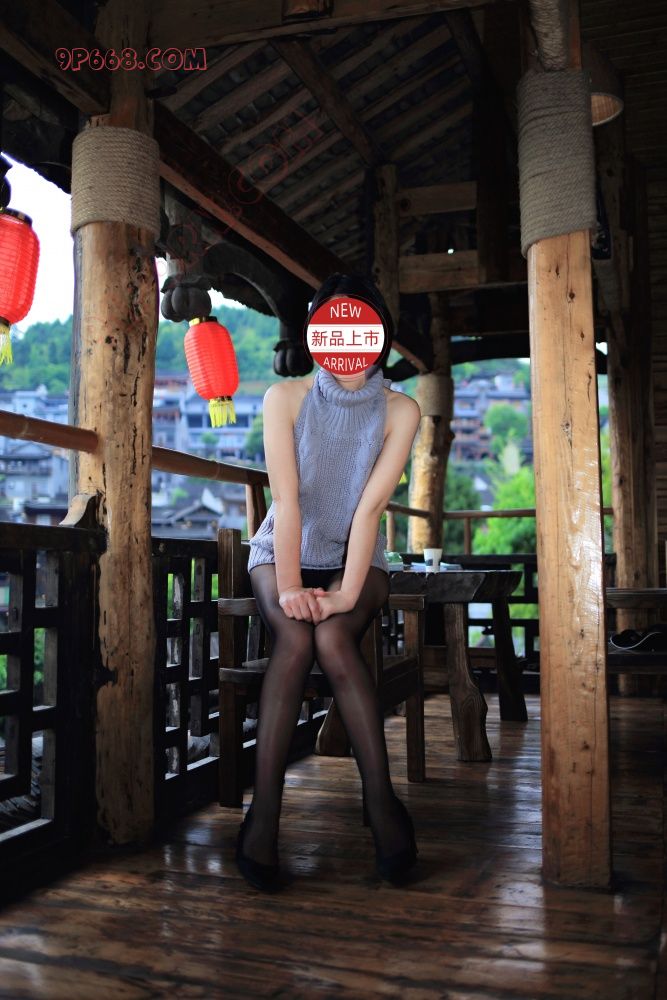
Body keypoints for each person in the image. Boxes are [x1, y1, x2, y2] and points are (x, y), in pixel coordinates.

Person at [235, 271, 422, 891]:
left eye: (359, 323)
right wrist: (291, 584)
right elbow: (286, 501)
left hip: (357, 558)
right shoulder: (284, 398)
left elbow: (369, 510)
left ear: (379, 332)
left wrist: (343, 591)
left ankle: (381, 802)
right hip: (281, 552)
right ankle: (264, 815)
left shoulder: (401, 409)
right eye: (332, 325)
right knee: (294, 641)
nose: (346, 338)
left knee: (335, 639)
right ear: (315, 332)